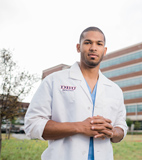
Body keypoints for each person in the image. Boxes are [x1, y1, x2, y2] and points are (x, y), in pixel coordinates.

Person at [24, 27, 128, 160]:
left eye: (99, 44)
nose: (93, 48)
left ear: (105, 50)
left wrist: (112, 132)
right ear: (78, 47)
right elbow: (32, 124)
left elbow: (121, 128)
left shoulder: (114, 89)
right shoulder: (54, 80)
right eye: (88, 42)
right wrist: (79, 127)